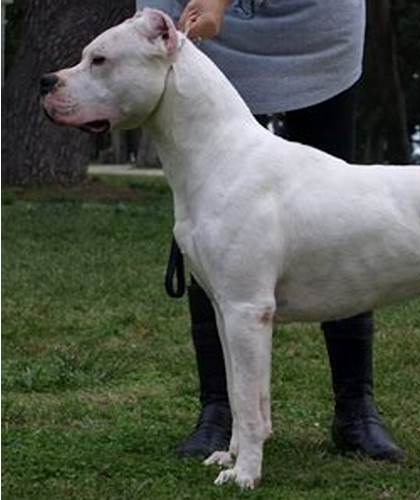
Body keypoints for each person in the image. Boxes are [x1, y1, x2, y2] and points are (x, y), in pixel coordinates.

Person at [136, 0, 404, 462]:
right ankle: (220, 410)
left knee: (342, 217)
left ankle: (355, 407)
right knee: (219, 223)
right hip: (200, 32)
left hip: (313, 28)